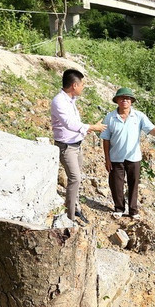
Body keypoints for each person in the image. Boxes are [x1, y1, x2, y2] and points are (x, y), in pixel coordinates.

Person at [100, 88, 155, 219]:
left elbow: (150, 129)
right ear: (117, 101)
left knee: (133, 184)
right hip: (116, 157)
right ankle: (119, 208)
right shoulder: (110, 117)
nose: (124, 100)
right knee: (116, 184)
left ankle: (133, 210)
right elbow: (106, 139)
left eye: (127, 98)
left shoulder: (138, 116)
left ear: (131, 101)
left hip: (133, 157)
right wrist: (107, 159)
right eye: (121, 98)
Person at [51, 69, 106, 224]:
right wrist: (92, 127)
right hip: (66, 147)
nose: (83, 87)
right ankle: (69, 216)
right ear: (74, 85)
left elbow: (75, 124)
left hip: (77, 145)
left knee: (77, 179)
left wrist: (88, 129)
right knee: (75, 178)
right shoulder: (59, 101)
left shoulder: (70, 101)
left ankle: (75, 208)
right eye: (82, 85)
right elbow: (69, 124)